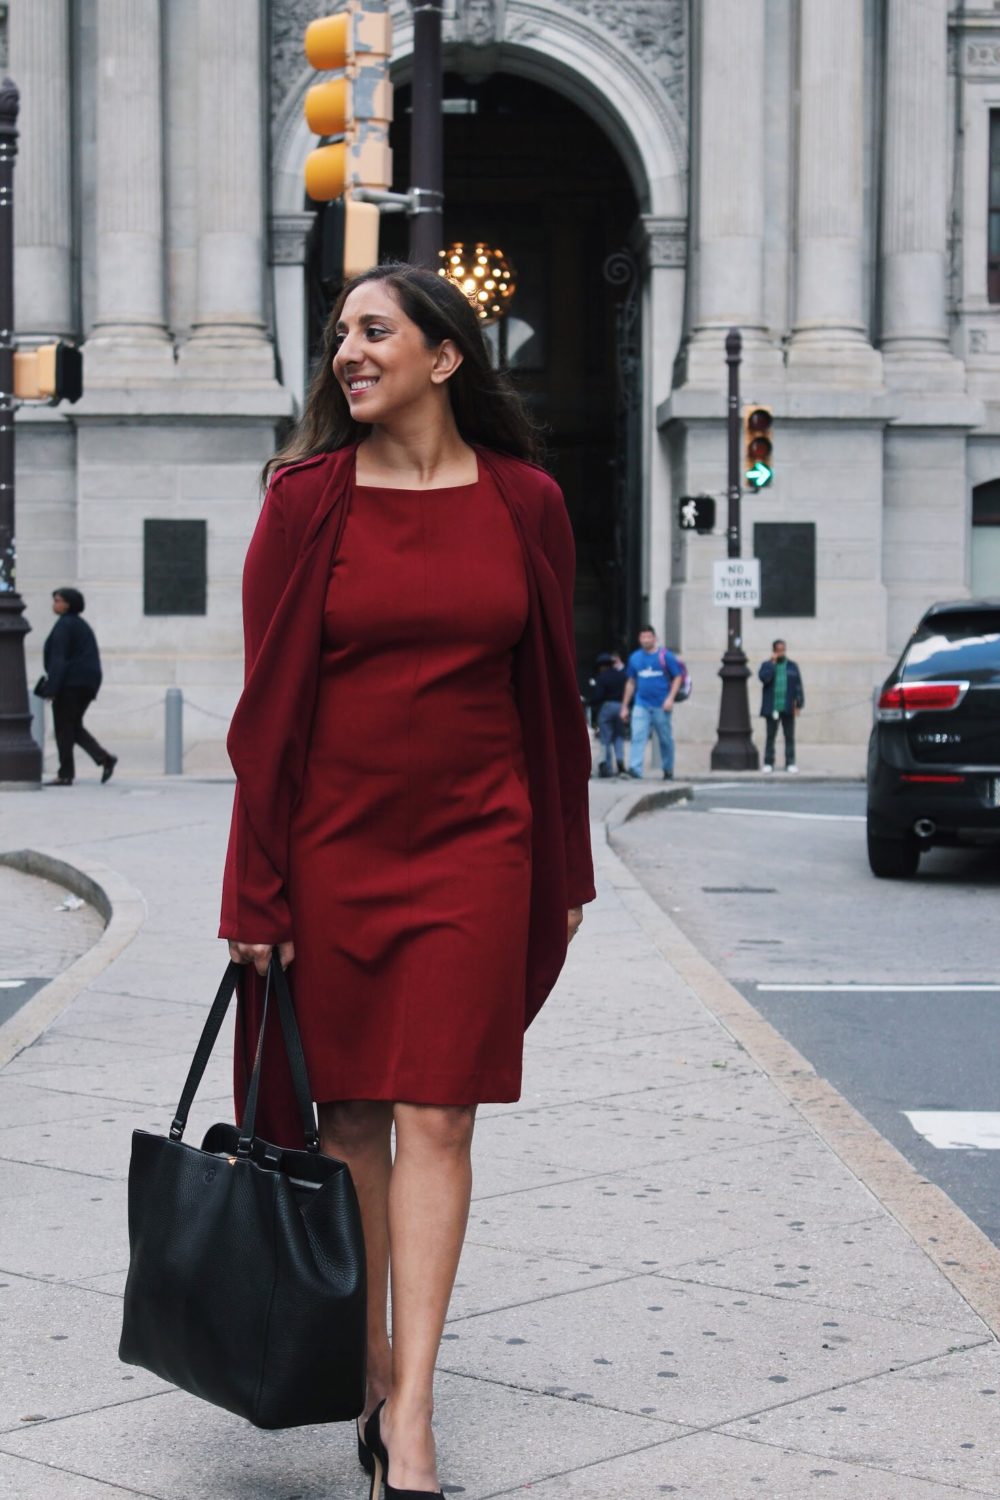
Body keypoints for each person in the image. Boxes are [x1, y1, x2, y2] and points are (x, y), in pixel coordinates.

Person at [220, 263, 595, 1497]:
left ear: (446, 356)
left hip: (478, 845)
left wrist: (565, 861)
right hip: (334, 849)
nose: (348, 353)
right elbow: (264, 713)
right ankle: (372, 1368)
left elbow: (546, 696)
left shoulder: (528, 501)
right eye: (339, 335)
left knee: (441, 1111)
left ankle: (413, 1410)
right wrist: (253, 892)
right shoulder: (303, 502)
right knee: (349, 1123)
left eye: (375, 331)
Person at [38, 588, 117, 787]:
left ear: (68, 604)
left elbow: (59, 660)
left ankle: (65, 774)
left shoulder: (64, 625)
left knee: (64, 728)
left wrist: (52, 688)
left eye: (58, 600)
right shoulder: (79, 625)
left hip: (71, 684)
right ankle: (104, 758)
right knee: (73, 726)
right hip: (86, 682)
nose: (54, 604)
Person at [619, 624, 682, 780]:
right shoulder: (635, 658)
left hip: (662, 704)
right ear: (639, 639)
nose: (646, 640)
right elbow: (631, 682)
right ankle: (635, 768)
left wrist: (670, 698)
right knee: (638, 736)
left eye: (649, 636)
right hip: (641, 703)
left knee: (665, 739)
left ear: (655, 638)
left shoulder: (665, 656)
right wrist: (625, 706)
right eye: (643, 637)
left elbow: (677, 677)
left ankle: (668, 768)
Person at [758, 638, 804, 772]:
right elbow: (764, 678)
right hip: (772, 706)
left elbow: (798, 686)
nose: (781, 653)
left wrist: (799, 704)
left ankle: (790, 762)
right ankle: (768, 762)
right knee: (770, 736)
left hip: (788, 706)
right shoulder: (766, 665)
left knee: (789, 736)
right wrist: (772, 663)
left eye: (783, 650)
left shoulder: (792, 666)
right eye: (778, 650)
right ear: (774, 651)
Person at [588, 650, 627, 777]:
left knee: (605, 738)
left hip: (607, 706)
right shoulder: (622, 675)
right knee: (619, 736)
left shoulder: (602, 677)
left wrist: (589, 702)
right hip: (621, 707)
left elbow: (598, 696)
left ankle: (607, 766)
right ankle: (620, 761)